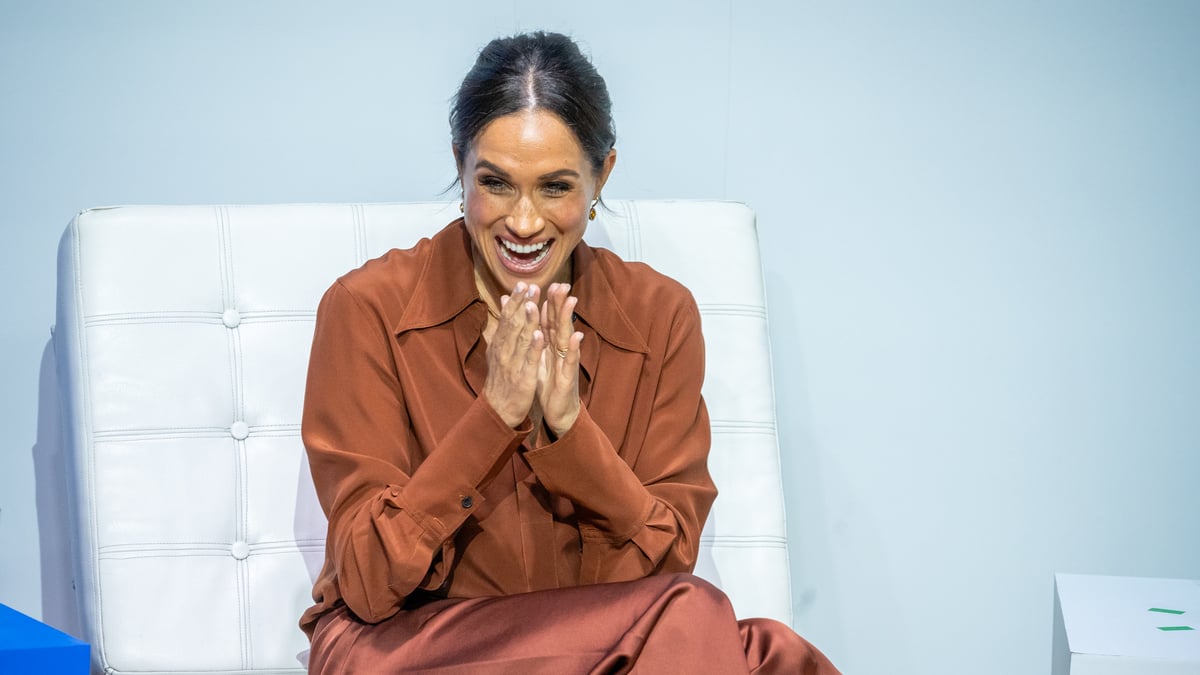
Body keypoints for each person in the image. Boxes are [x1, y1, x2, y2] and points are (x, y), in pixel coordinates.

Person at [300, 31, 840, 674]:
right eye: (495, 183)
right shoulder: (367, 309)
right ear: (459, 165)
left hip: (598, 648)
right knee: (710, 628)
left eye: (555, 187)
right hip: (411, 649)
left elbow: (665, 566)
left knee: (768, 653)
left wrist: (571, 434)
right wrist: (492, 419)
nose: (523, 223)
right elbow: (366, 581)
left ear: (601, 175)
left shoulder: (658, 317)